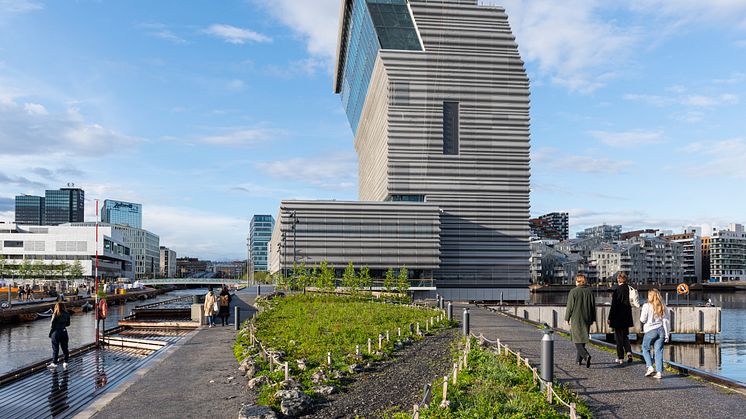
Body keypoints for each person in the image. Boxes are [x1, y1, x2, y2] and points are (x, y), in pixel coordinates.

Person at [565, 274, 596, 368]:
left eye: (576, 280)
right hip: (587, 317)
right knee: (582, 337)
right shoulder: (590, 291)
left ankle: (586, 355)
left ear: (578, 281)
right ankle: (578, 360)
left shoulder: (573, 292)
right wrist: (593, 318)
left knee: (576, 338)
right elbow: (593, 306)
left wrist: (567, 318)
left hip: (576, 318)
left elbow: (570, 306)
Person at [641, 288, 670, 379]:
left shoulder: (646, 306)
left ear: (650, 296)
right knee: (658, 351)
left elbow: (642, 319)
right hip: (661, 330)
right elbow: (666, 321)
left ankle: (650, 367)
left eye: (649, 295)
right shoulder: (662, 306)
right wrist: (667, 334)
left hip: (650, 330)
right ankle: (659, 372)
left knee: (645, 348)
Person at [607, 272, 634, 364]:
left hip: (618, 317)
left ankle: (620, 357)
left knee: (618, 338)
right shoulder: (629, 289)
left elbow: (614, 306)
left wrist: (610, 317)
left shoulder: (617, 290)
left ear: (619, 279)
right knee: (625, 336)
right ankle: (629, 352)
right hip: (626, 317)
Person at [48, 301, 71, 369]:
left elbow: (52, 325)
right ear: (64, 307)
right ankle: (65, 362)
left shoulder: (55, 314)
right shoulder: (67, 314)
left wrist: (51, 333)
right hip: (64, 331)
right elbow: (68, 324)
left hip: (56, 332)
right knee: (65, 348)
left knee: (55, 348)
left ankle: (55, 363)